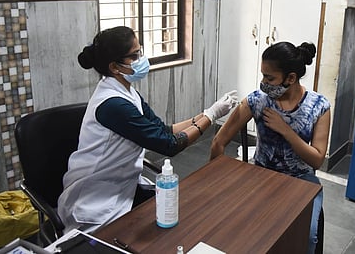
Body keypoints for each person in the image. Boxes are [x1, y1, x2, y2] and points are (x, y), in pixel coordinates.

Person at [58, 26, 238, 233]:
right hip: (94, 197)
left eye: (140, 51)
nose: (141, 59)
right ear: (115, 67)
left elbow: (164, 129)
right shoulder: (113, 105)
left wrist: (207, 111)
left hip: (122, 185)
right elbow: (168, 144)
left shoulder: (128, 93)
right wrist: (211, 116)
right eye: (135, 55)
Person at [210, 41, 330, 254]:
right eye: (263, 75)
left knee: (306, 238)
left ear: (290, 78)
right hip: (261, 176)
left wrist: (286, 130)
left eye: (270, 78)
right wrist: (215, 185)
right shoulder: (257, 100)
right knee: (248, 234)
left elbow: (317, 159)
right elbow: (220, 141)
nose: (263, 82)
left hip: (301, 181)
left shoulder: (319, 106)